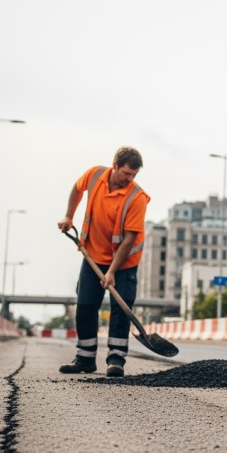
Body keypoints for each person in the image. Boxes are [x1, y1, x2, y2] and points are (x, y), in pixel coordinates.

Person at [57, 147, 150, 377]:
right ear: (115, 165)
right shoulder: (95, 175)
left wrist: (112, 272)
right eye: (127, 174)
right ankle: (85, 358)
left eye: (134, 175)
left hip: (124, 261)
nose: (130, 179)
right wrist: (69, 215)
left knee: (121, 308)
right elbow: (77, 190)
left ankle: (116, 359)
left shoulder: (137, 198)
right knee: (86, 305)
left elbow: (129, 239)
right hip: (93, 256)